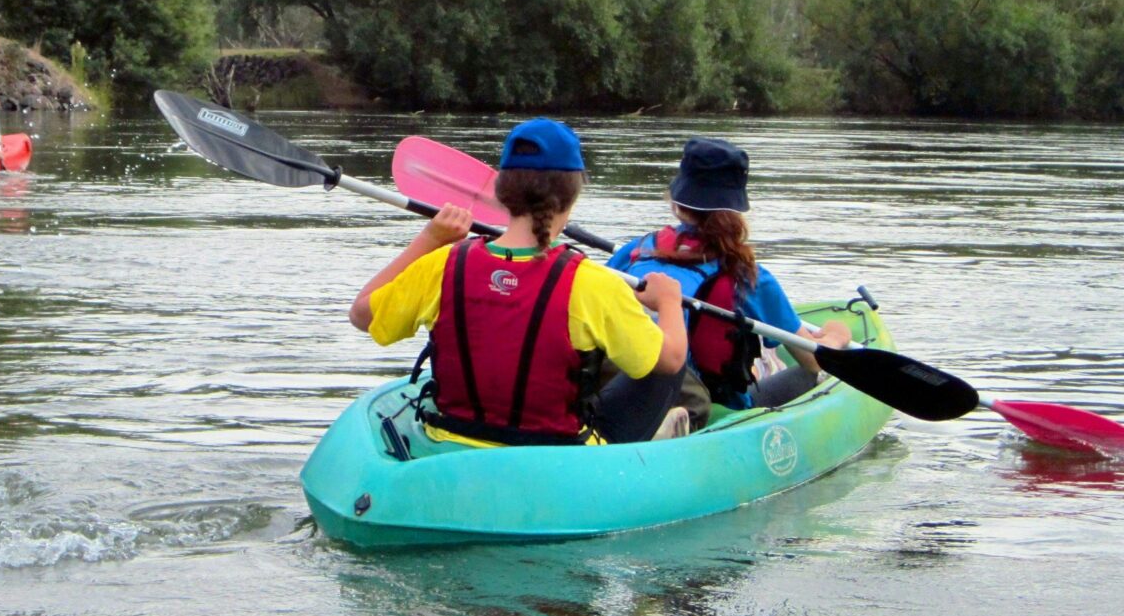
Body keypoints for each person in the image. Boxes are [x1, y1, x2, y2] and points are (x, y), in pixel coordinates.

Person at [349, 119, 688, 447]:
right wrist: (669, 301)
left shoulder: (443, 264)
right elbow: (671, 360)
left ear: (502, 192)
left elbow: (361, 315)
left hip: (449, 444)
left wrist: (430, 238)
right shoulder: (593, 282)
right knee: (665, 366)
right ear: (572, 194)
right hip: (559, 457)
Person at [608, 137, 852, 427]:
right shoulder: (747, 274)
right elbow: (814, 360)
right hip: (713, 405)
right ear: (736, 208)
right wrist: (837, 335)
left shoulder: (638, 249)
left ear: (676, 202)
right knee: (810, 377)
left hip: (627, 387)